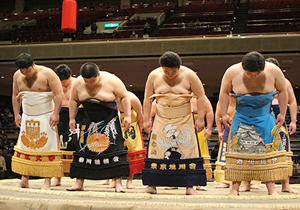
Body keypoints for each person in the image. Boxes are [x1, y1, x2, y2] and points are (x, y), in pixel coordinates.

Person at [219, 51, 290, 196]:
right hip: (241, 116)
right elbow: (224, 92)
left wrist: (282, 113)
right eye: (249, 74)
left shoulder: (274, 70)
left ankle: (271, 188)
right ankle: (235, 188)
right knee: (237, 150)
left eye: (256, 74)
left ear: (263, 68)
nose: (252, 77)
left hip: (265, 115)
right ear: (242, 67)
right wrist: (224, 113)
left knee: (269, 150)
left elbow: (283, 91)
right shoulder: (232, 71)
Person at [141, 51, 207, 195]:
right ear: (161, 68)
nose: (170, 74)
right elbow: (147, 99)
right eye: (166, 71)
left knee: (188, 150)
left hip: (184, 119)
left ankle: (190, 186)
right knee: (156, 150)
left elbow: (201, 97)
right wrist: (146, 119)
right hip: (161, 118)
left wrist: (201, 118)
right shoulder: (154, 76)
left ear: (179, 67)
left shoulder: (189, 75)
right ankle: (151, 185)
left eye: (174, 71)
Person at [66, 62, 131, 193]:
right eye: (86, 81)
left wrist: (128, 115)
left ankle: (118, 183)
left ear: (98, 74)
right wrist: (71, 118)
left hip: (109, 120)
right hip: (88, 119)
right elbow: (73, 100)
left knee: (114, 149)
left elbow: (124, 96)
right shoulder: (78, 83)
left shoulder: (112, 80)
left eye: (93, 80)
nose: (90, 83)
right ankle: (79, 182)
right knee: (83, 149)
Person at [11, 53, 63, 190]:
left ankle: (47, 181)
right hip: (27, 116)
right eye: (22, 70)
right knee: (25, 146)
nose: (25, 73)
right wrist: (17, 114)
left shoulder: (48, 73)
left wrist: (56, 113)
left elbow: (59, 94)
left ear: (33, 64)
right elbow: (15, 96)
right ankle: (24, 179)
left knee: (48, 146)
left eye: (27, 70)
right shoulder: (17, 75)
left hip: (46, 116)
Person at [97, 91, 146, 189]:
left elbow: (140, 113)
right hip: (115, 125)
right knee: (114, 153)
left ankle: (129, 181)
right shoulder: (109, 98)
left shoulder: (132, 98)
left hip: (131, 126)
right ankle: (113, 180)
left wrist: (140, 128)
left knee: (132, 153)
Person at [214, 96, 261, 190]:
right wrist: (219, 131)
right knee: (226, 156)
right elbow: (218, 117)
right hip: (228, 129)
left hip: (245, 129)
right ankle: (225, 180)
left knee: (247, 156)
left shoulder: (246, 99)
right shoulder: (223, 101)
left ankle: (251, 181)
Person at [51, 64, 84, 187]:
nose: (62, 84)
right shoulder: (54, 84)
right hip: (59, 115)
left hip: (77, 115)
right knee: (58, 147)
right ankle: (57, 177)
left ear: (70, 76)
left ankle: (79, 179)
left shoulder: (78, 83)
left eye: (64, 82)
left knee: (77, 146)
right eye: (60, 82)